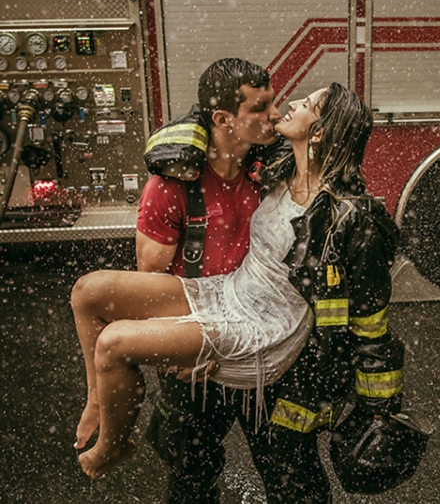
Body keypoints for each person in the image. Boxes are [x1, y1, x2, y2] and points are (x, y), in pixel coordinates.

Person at [71, 84, 404, 495]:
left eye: (308, 104)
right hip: (231, 290)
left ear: (318, 133)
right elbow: (215, 121)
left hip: (268, 328)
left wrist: (378, 411)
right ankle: (97, 401)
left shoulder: (354, 218)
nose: (291, 103)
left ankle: (112, 446)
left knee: (114, 343)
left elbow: (373, 324)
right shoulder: (279, 165)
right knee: (89, 291)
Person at [134, 58, 295, 503]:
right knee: (190, 475)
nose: (275, 115)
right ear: (224, 118)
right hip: (198, 357)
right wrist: (174, 351)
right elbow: (149, 283)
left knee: (288, 473)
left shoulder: (274, 174)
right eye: (261, 107)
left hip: (263, 349)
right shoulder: (170, 186)